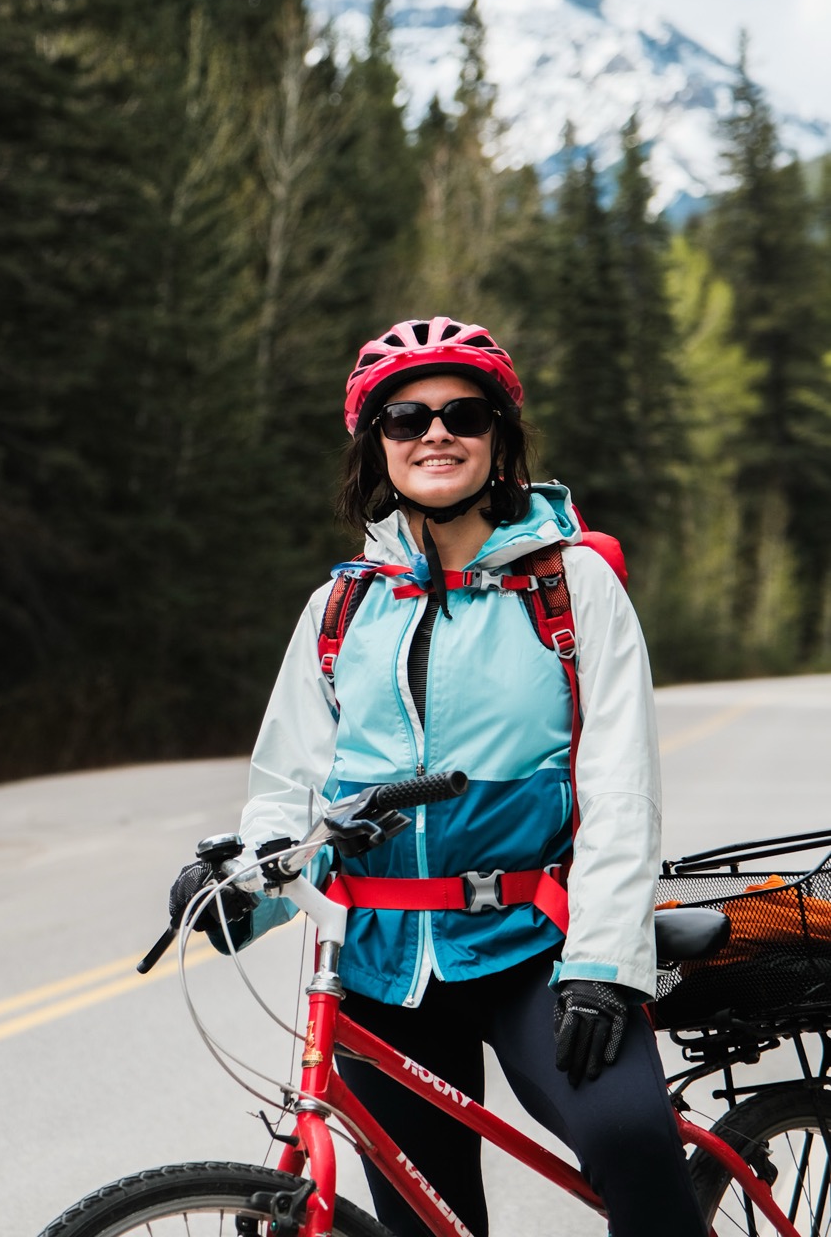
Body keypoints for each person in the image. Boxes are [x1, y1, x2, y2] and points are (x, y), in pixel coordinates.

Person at [170, 317, 707, 1237]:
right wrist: (243, 886)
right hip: (377, 960)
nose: (434, 433)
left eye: (463, 412)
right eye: (403, 416)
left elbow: (620, 788)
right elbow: (289, 788)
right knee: (425, 1221)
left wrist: (605, 968)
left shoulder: (571, 584)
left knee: (630, 1142)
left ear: (498, 438)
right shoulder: (340, 606)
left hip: (536, 945)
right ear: (375, 446)